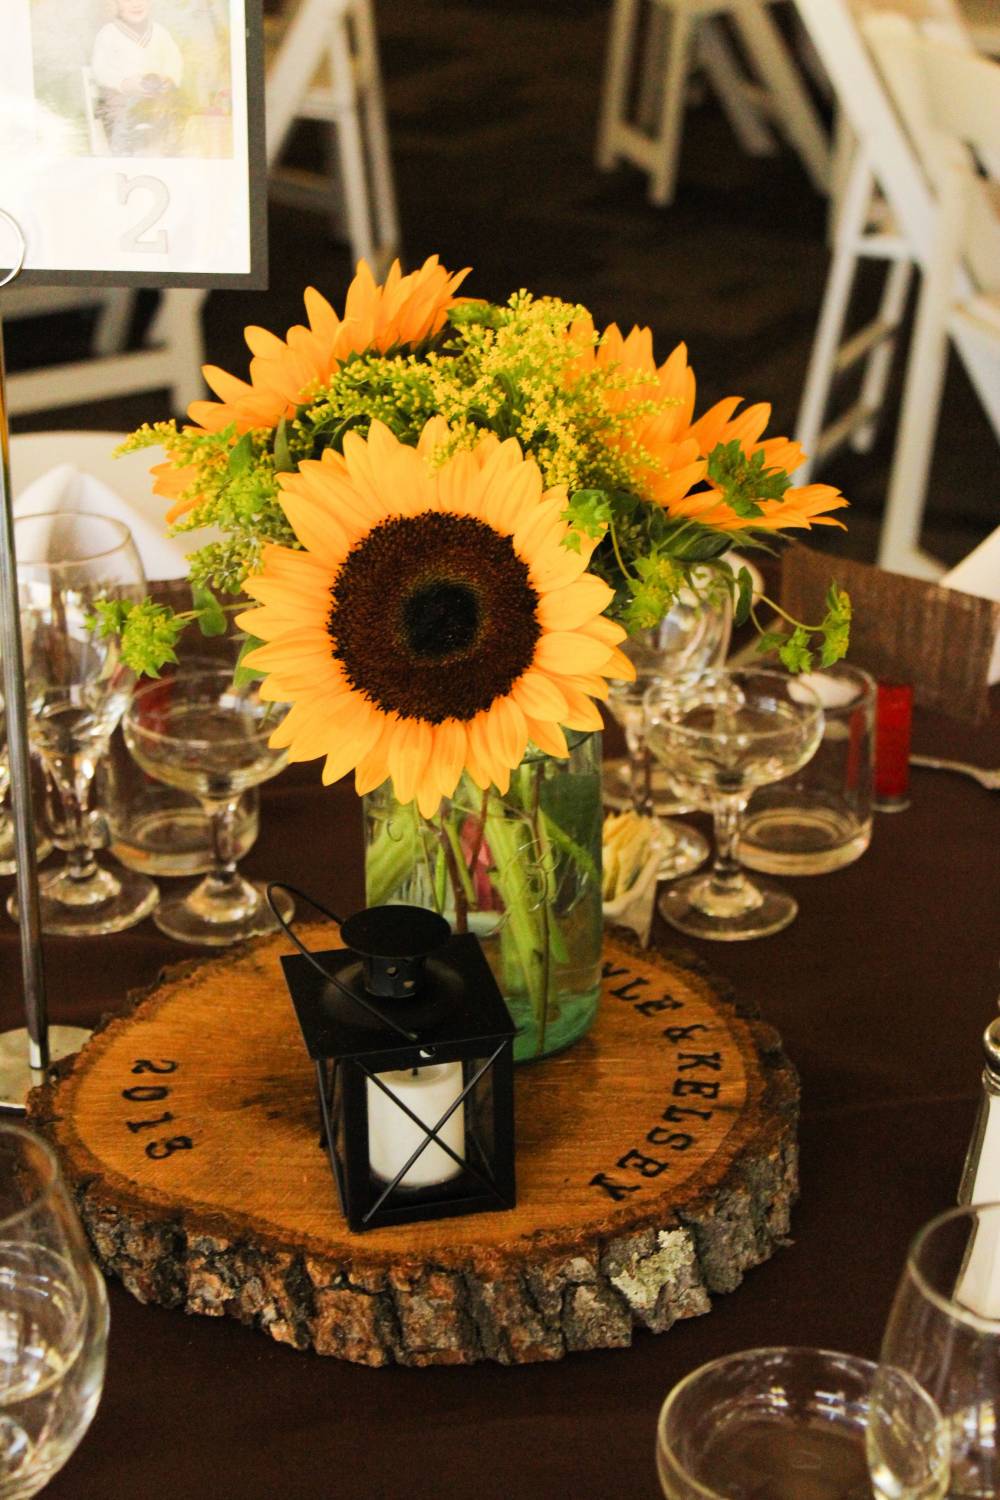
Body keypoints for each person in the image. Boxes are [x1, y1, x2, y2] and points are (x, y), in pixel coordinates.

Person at [90, 0, 184, 156]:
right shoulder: (108, 33)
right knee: (116, 110)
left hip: (154, 98)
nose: (136, 4)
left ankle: (166, 154)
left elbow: (174, 60)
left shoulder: (160, 32)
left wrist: (168, 78)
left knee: (173, 108)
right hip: (120, 99)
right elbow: (101, 68)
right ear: (117, 4)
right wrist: (124, 84)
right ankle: (124, 156)